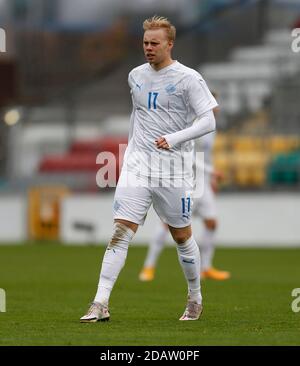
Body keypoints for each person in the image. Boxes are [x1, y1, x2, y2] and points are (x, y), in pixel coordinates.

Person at [80, 15, 217, 323]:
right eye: (145, 42)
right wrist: (129, 151)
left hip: (172, 170)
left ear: (170, 44)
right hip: (138, 165)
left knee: (182, 237)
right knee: (120, 232)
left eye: (155, 43)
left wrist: (174, 138)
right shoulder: (136, 76)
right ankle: (100, 302)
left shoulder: (188, 79)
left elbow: (209, 121)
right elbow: (137, 115)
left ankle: (195, 297)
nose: (149, 48)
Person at [139, 121, 231, 282]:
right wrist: (212, 172)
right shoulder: (189, 124)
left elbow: (206, 156)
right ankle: (148, 266)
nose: (216, 108)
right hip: (187, 181)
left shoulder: (211, 126)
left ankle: (206, 268)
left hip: (203, 183)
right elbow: (190, 157)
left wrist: (210, 179)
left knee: (211, 223)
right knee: (168, 224)